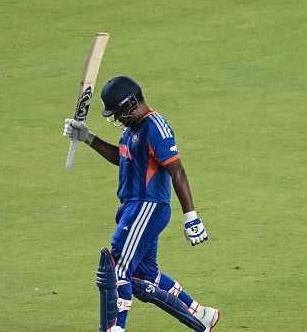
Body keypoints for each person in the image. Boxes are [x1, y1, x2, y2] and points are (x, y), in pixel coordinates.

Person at [63, 76, 220, 331]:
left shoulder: (155, 127)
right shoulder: (132, 130)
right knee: (143, 275)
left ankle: (115, 329)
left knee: (116, 270)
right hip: (135, 208)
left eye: (118, 112)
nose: (116, 119)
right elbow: (122, 157)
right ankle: (201, 314)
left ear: (132, 102)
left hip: (146, 206)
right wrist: (89, 138)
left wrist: (191, 216)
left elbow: (177, 171)